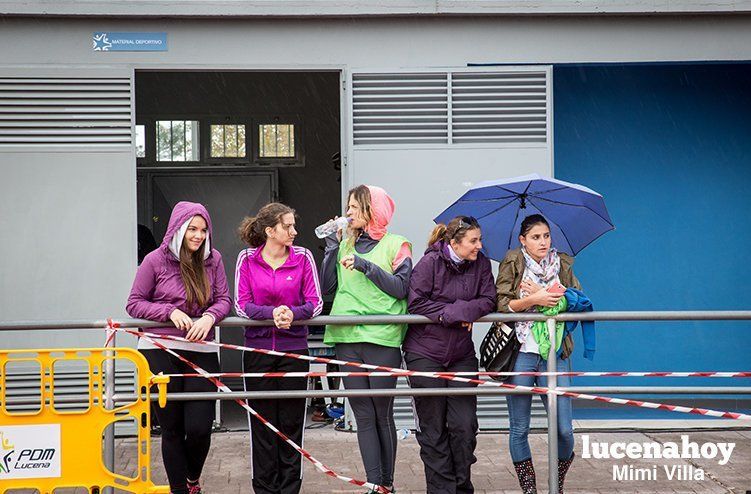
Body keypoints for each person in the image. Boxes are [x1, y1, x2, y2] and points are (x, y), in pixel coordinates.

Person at [126, 201, 231, 494]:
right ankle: (179, 491)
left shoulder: (214, 260)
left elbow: (224, 299)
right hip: (159, 348)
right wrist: (169, 312)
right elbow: (134, 302)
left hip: (202, 350)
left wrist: (210, 316)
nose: (198, 236)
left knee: (199, 427)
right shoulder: (154, 261)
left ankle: (192, 478)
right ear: (178, 229)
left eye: (203, 230)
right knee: (171, 428)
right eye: (192, 229)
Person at [321, 184, 412, 493]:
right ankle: (375, 485)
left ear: (373, 211)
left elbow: (401, 288)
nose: (347, 213)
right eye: (348, 207)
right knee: (362, 414)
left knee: (381, 413)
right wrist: (332, 247)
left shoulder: (397, 245)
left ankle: (388, 483)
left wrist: (366, 266)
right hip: (347, 338)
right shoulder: (344, 245)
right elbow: (328, 288)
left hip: (382, 339)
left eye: (354, 208)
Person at [234, 202, 323, 494]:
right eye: (288, 226)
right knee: (261, 425)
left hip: (294, 350)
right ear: (270, 230)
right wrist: (270, 315)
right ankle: (264, 489)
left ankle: (289, 489)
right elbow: (242, 304)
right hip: (257, 351)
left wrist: (292, 314)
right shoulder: (246, 259)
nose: (294, 231)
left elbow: (315, 303)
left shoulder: (304, 257)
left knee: (291, 424)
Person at [403, 216, 496, 494]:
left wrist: (461, 311)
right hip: (424, 353)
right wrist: (453, 313)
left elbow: (489, 299)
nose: (479, 246)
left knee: (464, 426)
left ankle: (461, 485)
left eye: (480, 240)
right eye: (473, 241)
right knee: (433, 429)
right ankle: (441, 490)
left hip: (461, 355)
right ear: (454, 242)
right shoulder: (429, 263)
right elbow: (416, 302)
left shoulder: (481, 263)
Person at [495, 214, 580, 494]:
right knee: (520, 428)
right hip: (521, 351)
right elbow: (503, 304)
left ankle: (557, 482)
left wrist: (549, 295)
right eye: (535, 237)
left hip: (555, 353)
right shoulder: (513, 261)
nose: (543, 242)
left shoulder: (562, 263)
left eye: (546, 236)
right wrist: (534, 300)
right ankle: (529, 490)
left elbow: (578, 300)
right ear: (523, 240)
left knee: (564, 430)